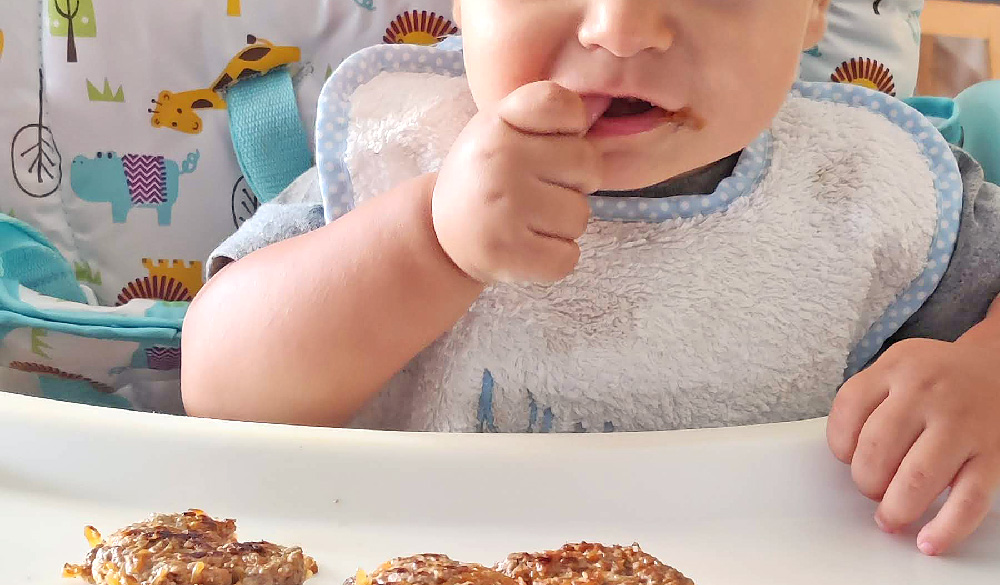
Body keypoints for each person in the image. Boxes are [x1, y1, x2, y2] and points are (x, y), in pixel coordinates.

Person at [181, 0, 1000, 556]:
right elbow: (218, 386)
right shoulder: (397, 149)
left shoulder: (868, 191)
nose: (624, 29)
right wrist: (429, 242)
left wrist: (986, 374)